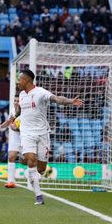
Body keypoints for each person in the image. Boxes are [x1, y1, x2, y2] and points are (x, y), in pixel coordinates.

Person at [13, 69, 83, 204]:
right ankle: (38, 196)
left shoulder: (40, 92)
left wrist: (69, 101)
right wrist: (15, 115)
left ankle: (24, 159)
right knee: (31, 161)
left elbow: (57, 99)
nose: (18, 82)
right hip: (27, 133)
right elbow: (20, 111)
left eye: (20, 79)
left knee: (41, 169)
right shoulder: (21, 95)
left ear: (27, 80)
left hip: (43, 133)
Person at [0, 93, 21, 188]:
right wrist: (0, 127)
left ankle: (33, 178)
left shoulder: (25, 111)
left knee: (26, 160)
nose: (16, 103)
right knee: (11, 157)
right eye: (15, 101)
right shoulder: (12, 110)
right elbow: (9, 121)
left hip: (24, 137)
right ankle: (10, 181)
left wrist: (16, 128)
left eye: (18, 101)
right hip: (14, 137)